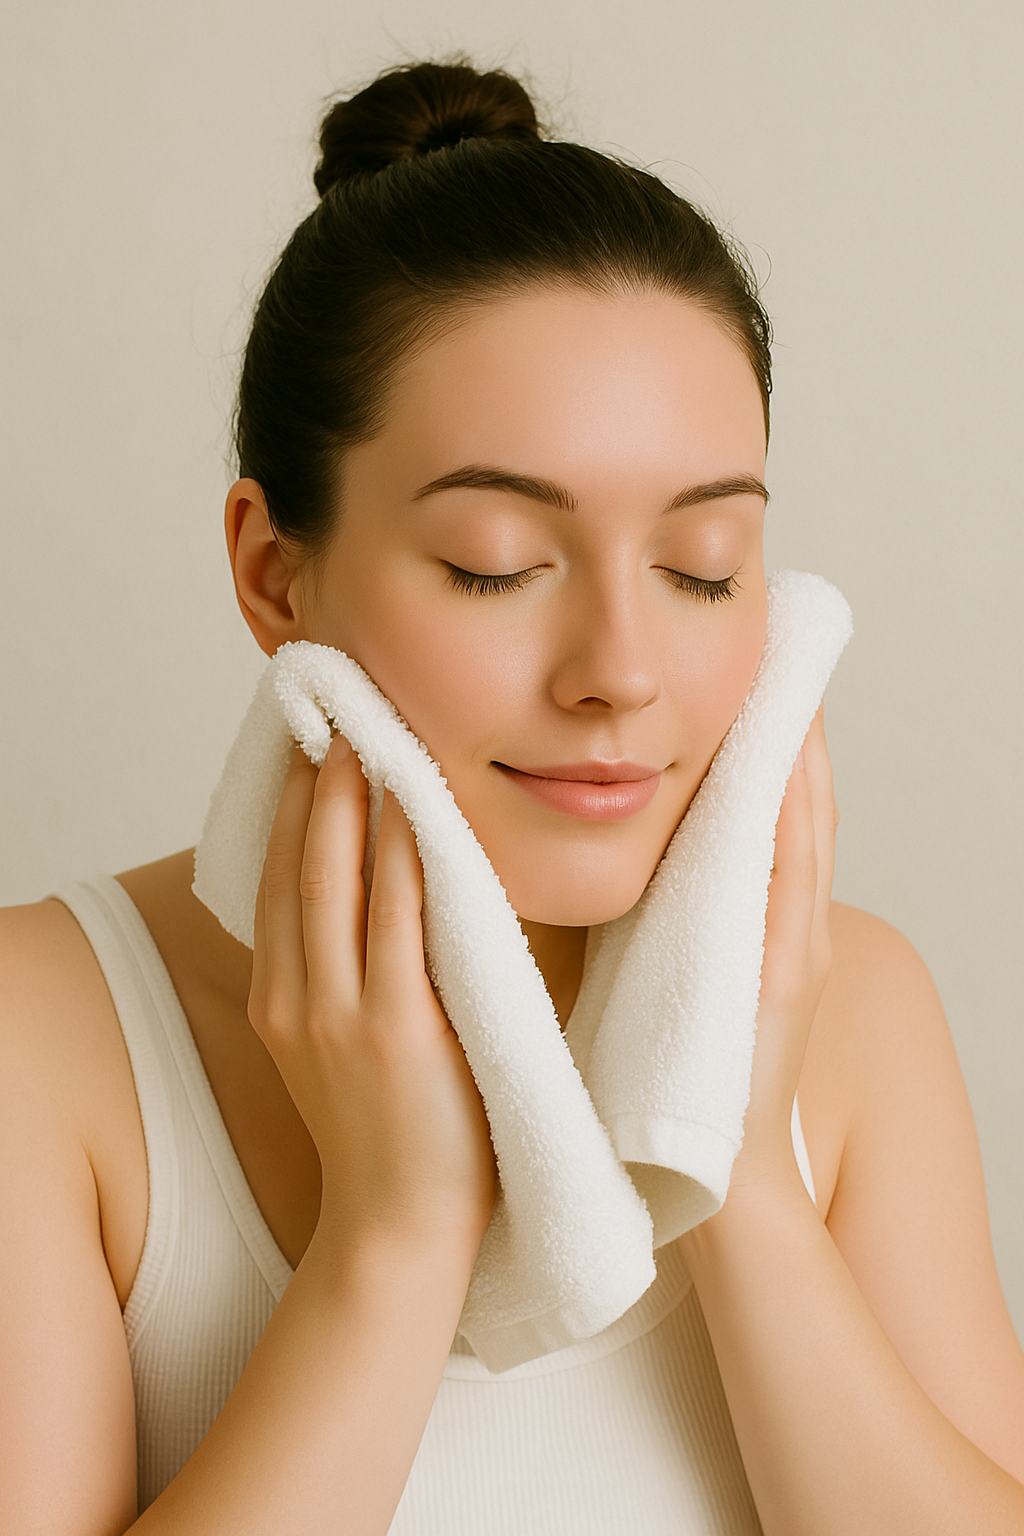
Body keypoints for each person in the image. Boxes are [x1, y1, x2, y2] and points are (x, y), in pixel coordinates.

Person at [2, 56, 1023, 1536]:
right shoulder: (50, 1036)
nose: (621, 670)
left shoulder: (853, 1011)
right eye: (495, 561)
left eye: (702, 568)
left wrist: (730, 1168)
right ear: (273, 572)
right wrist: (393, 1241)